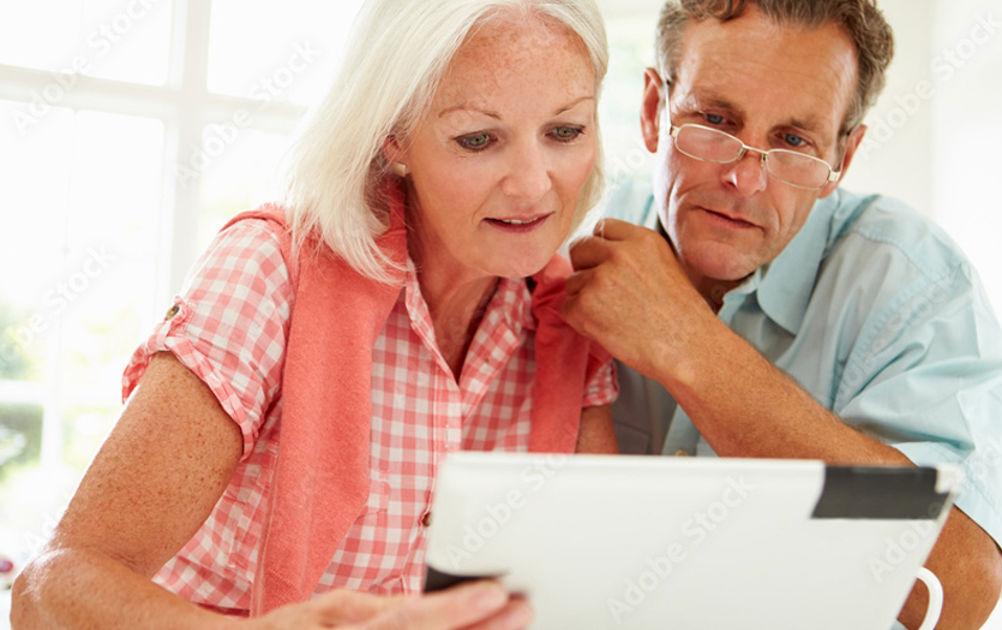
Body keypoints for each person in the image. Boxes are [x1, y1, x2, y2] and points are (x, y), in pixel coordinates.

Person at [12, 0, 615, 627]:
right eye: (477, 139)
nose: (533, 184)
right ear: (395, 139)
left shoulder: (572, 316)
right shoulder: (272, 270)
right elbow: (49, 591)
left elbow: (601, 593)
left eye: (565, 132)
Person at [561, 1, 1002, 628]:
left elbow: (958, 596)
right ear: (651, 111)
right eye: (715, 120)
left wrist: (694, 350)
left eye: (794, 141)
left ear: (842, 161)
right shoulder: (558, 247)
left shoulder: (917, 283)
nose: (746, 179)